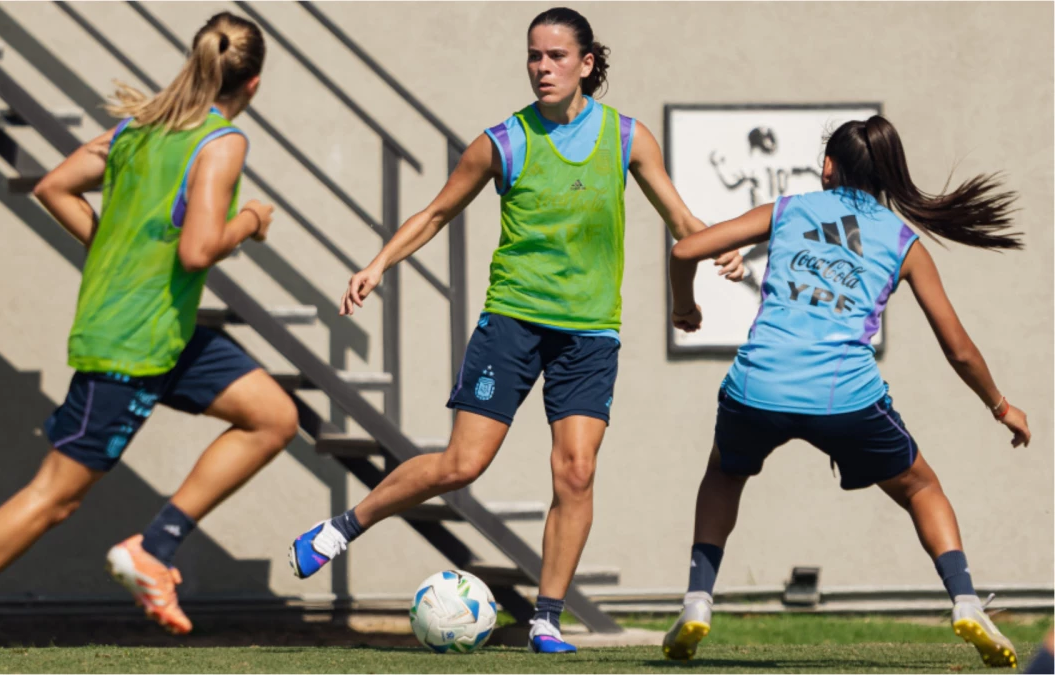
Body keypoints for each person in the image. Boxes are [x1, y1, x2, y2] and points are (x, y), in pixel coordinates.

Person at [286, 6, 744, 654]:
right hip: (513, 322)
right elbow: (436, 213)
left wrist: (719, 245)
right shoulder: (503, 141)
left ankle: (546, 619)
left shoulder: (627, 137)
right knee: (461, 464)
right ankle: (342, 527)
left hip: (590, 333)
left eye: (556, 56)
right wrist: (377, 264)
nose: (542, 67)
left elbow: (680, 216)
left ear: (586, 63)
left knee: (576, 472)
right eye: (534, 55)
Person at [0, 12, 298, 674]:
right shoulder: (222, 142)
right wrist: (250, 219)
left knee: (272, 416)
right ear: (254, 83)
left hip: (167, 332)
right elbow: (198, 250)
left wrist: (112, 247)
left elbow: (54, 185)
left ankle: (155, 546)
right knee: (54, 496)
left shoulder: (137, 129)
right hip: (131, 344)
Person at [660, 114, 1029, 669]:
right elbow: (958, 349)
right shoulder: (904, 242)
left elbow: (684, 251)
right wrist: (1000, 406)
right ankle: (967, 602)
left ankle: (697, 600)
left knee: (725, 474)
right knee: (921, 487)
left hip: (759, 385)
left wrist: (684, 307)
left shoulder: (789, 210)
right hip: (845, 397)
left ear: (828, 166)